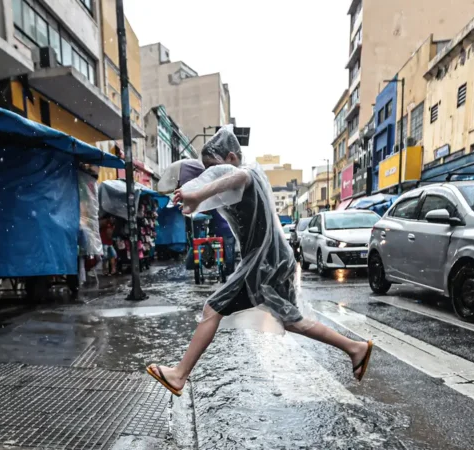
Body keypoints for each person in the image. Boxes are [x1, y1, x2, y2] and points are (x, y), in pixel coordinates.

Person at [147, 126, 374, 396]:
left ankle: (179, 375)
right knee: (291, 320)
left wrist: (198, 194)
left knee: (212, 308)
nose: (211, 174)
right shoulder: (235, 185)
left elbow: (239, 176)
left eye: (214, 167)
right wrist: (195, 198)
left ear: (231, 158)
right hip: (272, 261)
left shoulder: (247, 174)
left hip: (264, 263)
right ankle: (355, 348)